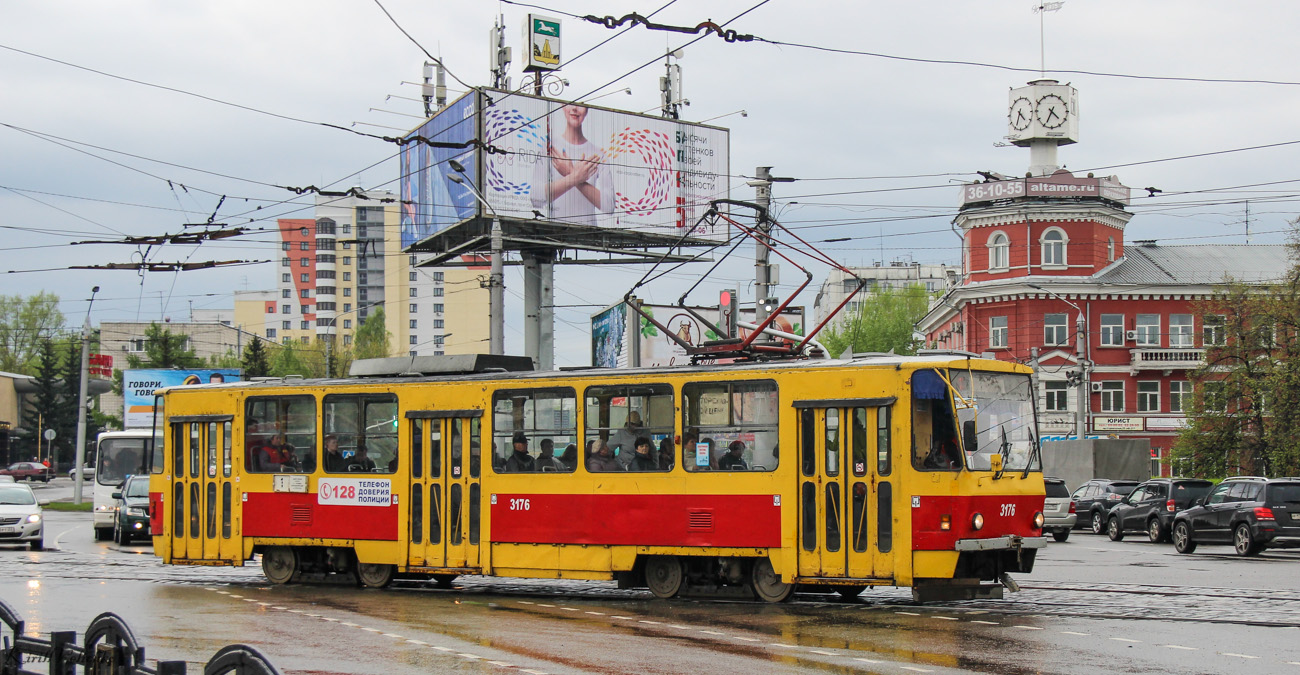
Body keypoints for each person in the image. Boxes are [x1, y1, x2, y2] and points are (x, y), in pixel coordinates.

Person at [530, 104, 614, 227]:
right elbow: (536, 198)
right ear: (563, 107)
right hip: (554, 235)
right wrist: (575, 177)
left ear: (587, 110)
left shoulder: (598, 154)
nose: (575, 109)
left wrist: (571, 174)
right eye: (571, 104)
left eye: (581, 106)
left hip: (589, 236)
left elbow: (609, 206)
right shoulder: (550, 148)